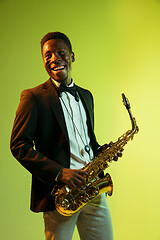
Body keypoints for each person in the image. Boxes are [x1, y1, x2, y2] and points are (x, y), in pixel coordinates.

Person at [10, 32, 122, 240]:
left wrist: (102, 151)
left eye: (61, 53)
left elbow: (86, 141)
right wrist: (60, 173)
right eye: (48, 55)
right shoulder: (33, 97)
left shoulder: (87, 96)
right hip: (60, 194)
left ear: (72, 56)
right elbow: (19, 146)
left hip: (93, 188)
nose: (54, 59)